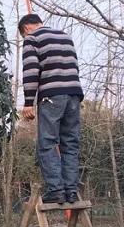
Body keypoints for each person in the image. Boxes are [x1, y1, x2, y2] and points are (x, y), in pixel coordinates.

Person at [19, 14, 84, 204]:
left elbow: (31, 71)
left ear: (26, 28)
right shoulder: (65, 36)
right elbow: (74, 67)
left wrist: (28, 103)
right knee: (70, 144)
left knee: (47, 143)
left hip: (51, 96)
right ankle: (71, 190)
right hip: (74, 94)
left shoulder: (32, 39)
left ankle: (56, 190)